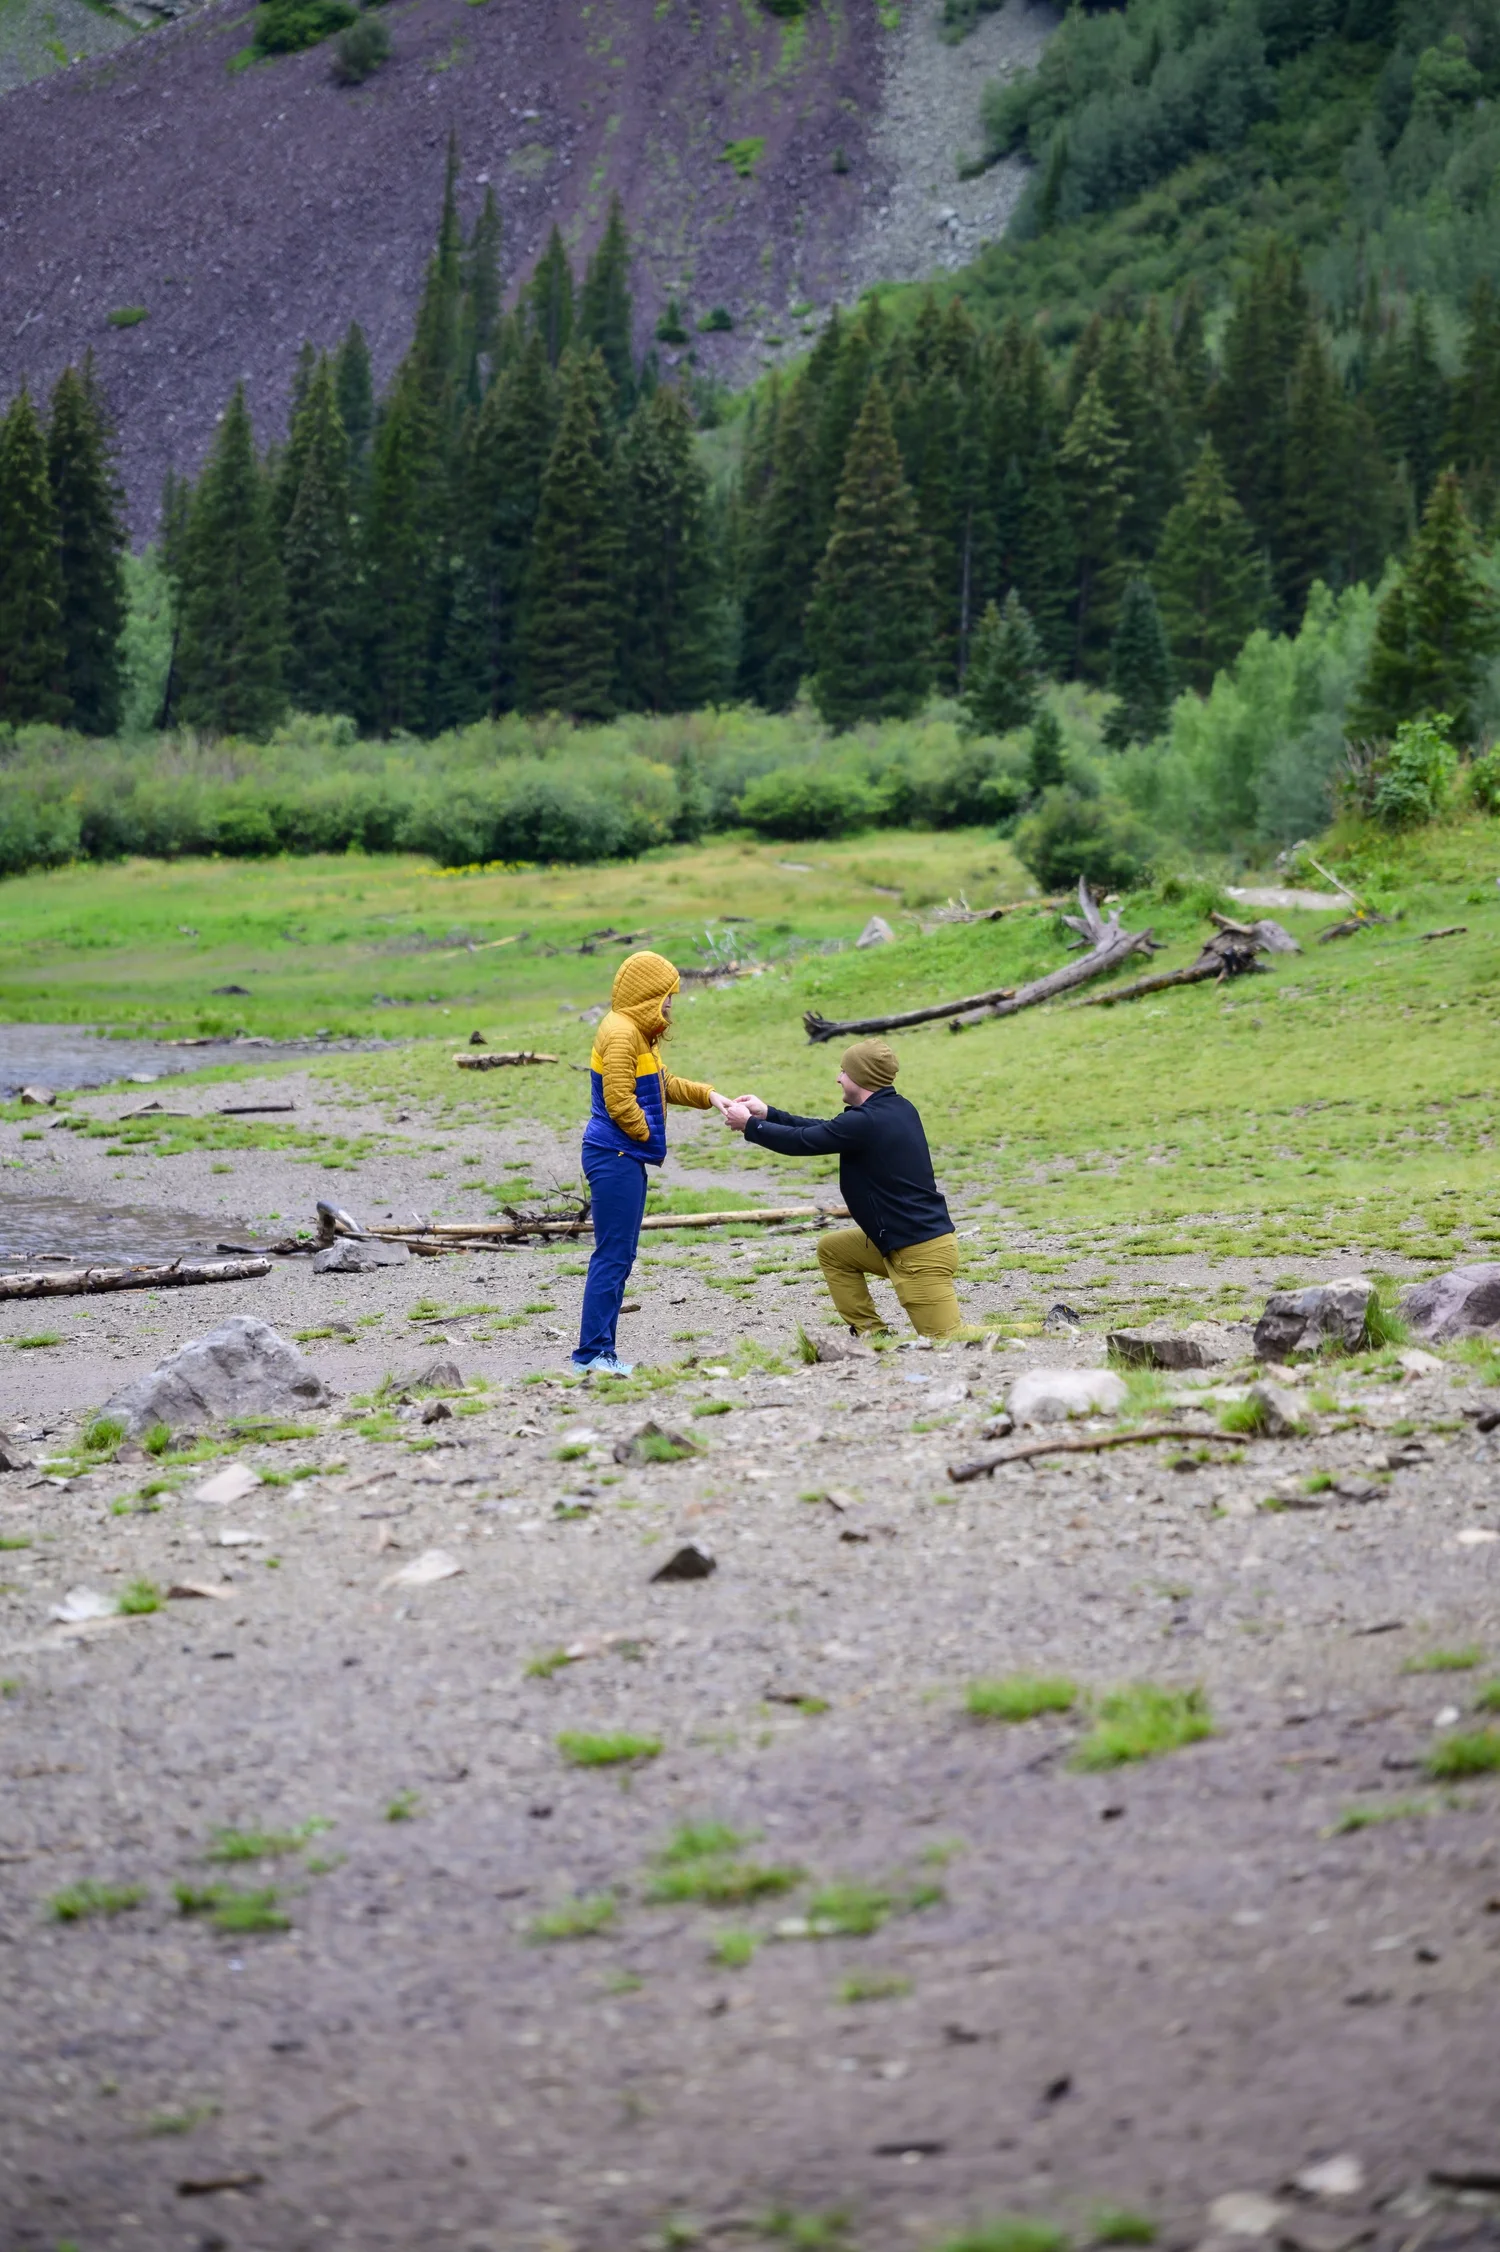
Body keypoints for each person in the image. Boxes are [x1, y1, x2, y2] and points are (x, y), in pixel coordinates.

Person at [723, 1038, 961, 1340]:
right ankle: (872, 1335)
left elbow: (802, 1142)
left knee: (949, 1340)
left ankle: (1039, 1330)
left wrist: (749, 1125)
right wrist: (767, 1114)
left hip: (920, 1253)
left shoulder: (868, 1122)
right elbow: (822, 1130)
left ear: (861, 1077)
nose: (838, 1078)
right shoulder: (893, 1109)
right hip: (901, 1240)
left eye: (843, 1072)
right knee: (834, 1250)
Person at [574, 950, 731, 1375]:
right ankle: (592, 1356)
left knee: (619, 1256)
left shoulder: (634, 1031)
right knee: (613, 1256)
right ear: (648, 994)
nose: (670, 1005)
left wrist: (710, 1096)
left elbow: (664, 1083)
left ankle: (600, 1353)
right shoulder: (624, 1034)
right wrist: (646, 1134)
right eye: (667, 995)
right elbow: (619, 1100)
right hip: (615, 1155)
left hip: (623, 1155)